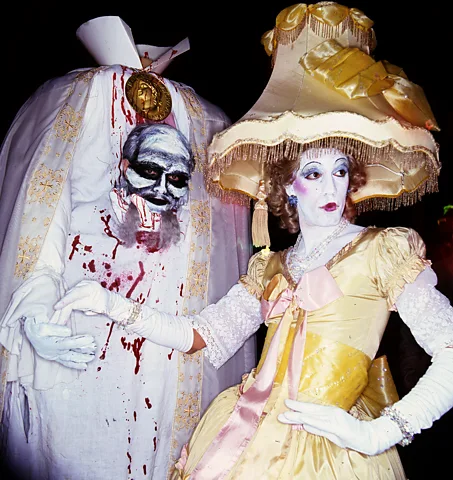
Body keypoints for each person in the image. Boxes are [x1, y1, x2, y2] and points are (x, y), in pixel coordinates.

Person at [52, 3, 453, 479]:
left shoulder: (382, 251)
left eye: (340, 171)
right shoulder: (270, 267)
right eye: (312, 174)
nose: (330, 187)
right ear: (287, 189)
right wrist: (110, 304)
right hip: (247, 437)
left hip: (334, 452)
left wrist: (382, 431)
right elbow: (203, 334)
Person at [0, 16, 255, 480]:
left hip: (167, 355)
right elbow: (40, 217)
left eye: (176, 179)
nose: (161, 191)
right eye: (148, 173)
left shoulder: (203, 118)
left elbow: (218, 257)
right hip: (82, 343)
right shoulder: (78, 100)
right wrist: (32, 310)